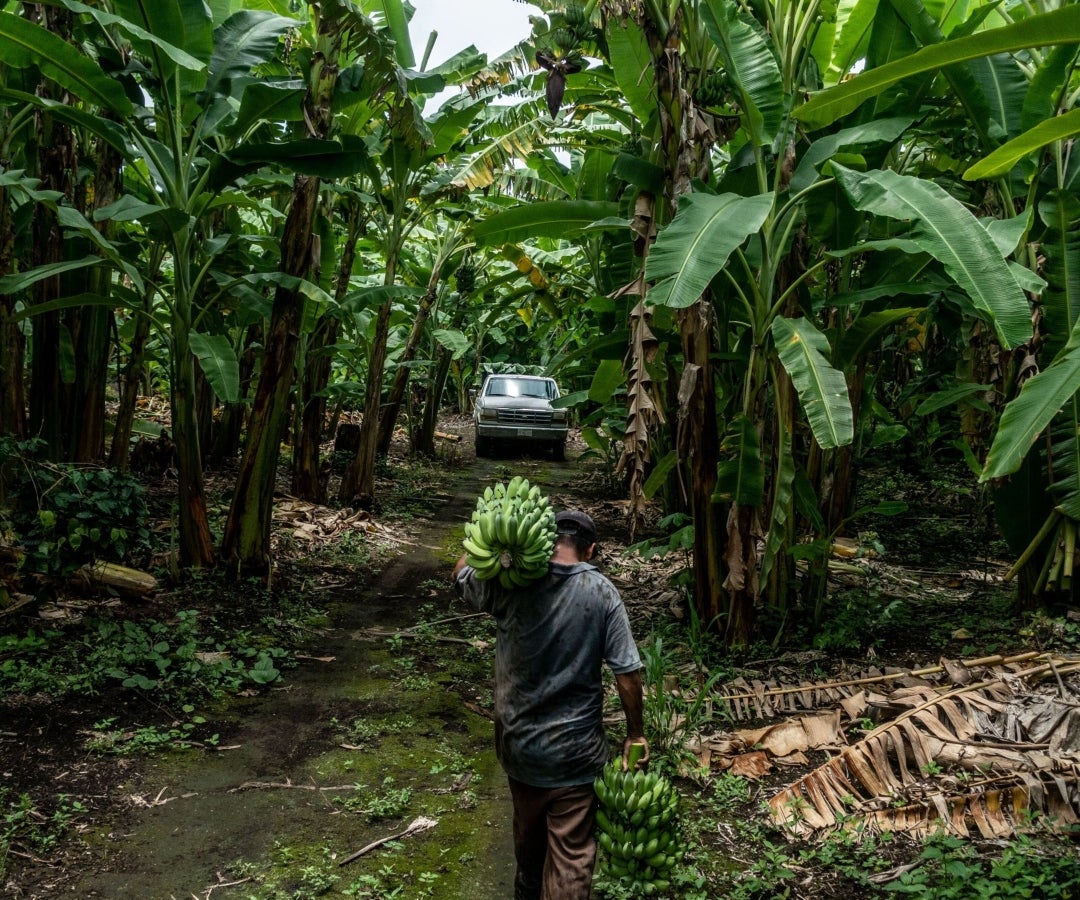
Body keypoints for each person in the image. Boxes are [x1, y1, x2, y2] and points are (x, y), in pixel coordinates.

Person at [452, 508, 648, 900]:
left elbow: (459, 574)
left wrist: (492, 545)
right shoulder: (602, 593)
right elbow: (627, 674)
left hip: (521, 747)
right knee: (571, 858)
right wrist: (635, 733)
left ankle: (527, 886)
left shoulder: (511, 582)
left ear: (545, 541)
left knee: (529, 846)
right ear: (590, 550)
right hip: (578, 756)